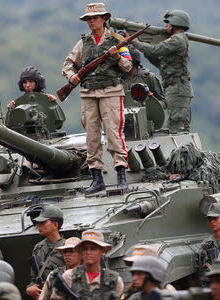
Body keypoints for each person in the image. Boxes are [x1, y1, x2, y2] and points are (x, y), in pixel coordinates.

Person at [63, 2, 133, 194]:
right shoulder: (83, 43)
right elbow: (68, 63)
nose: (91, 22)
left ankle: (121, 176)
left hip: (110, 91)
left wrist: (117, 57)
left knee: (114, 133)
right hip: (88, 93)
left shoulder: (117, 41)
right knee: (92, 136)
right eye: (88, 19)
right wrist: (72, 76)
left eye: (95, 18)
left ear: (104, 19)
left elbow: (128, 67)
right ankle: (96, 179)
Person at [128, 9, 193, 134]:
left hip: (178, 88)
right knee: (174, 125)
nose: (166, 26)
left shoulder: (177, 40)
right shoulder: (177, 40)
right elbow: (162, 64)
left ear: (176, 23)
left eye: (168, 23)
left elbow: (155, 50)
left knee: (178, 127)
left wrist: (134, 42)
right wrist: (146, 50)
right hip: (174, 88)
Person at [51, 230, 124, 300]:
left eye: (93, 248)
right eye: (85, 249)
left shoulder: (115, 281)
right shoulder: (68, 277)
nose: (88, 252)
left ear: (103, 251)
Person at [27, 204, 66, 299]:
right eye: (38, 223)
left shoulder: (67, 247)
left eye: (43, 222)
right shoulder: (38, 247)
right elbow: (34, 278)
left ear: (55, 225)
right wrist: (30, 288)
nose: (39, 226)